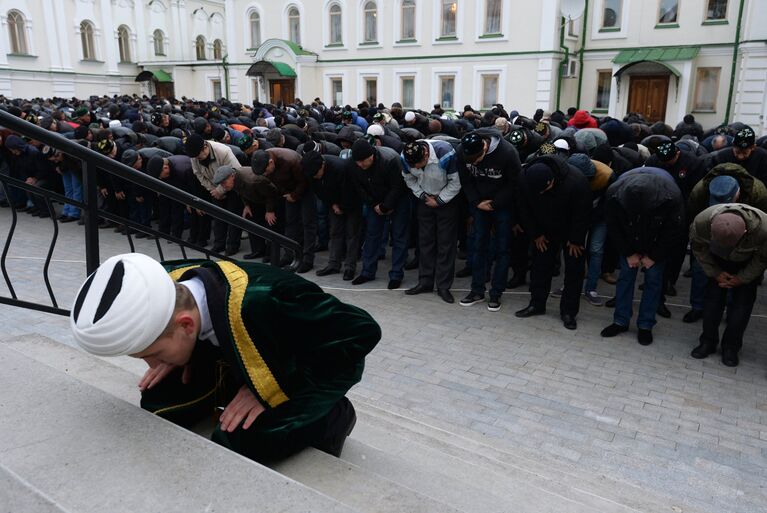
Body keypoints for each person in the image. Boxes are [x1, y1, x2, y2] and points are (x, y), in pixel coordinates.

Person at [69, 253, 381, 463]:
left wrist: (272, 388)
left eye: (154, 355)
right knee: (160, 402)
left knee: (239, 440)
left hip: (309, 364)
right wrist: (170, 357)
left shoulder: (264, 298)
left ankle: (335, 416)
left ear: (186, 325)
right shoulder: (163, 282)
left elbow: (362, 331)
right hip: (232, 349)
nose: (152, 364)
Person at [600, 168, 684, 345]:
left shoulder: (671, 197)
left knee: (653, 281)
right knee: (625, 277)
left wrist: (653, 256)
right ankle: (620, 321)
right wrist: (628, 253)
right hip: (629, 238)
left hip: (655, 241)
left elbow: (673, 232)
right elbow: (614, 227)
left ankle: (646, 325)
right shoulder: (614, 195)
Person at [514, 155, 591, 330]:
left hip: (571, 231)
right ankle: (537, 304)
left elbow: (583, 213)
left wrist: (576, 239)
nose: (541, 193)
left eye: (545, 189)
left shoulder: (576, 181)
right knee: (540, 267)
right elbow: (523, 208)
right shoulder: (524, 178)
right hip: (543, 230)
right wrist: (535, 234)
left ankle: (569, 312)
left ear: (552, 180)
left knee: (574, 271)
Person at [689, 204, 767, 366]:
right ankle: (708, 342)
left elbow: (762, 259)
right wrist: (715, 272)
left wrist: (742, 278)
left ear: (745, 233)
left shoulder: (764, 229)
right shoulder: (702, 221)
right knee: (712, 303)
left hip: (747, 264)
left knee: (741, 308)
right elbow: (699, 248)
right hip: (716, 261)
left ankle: (731, 347)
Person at [456, 129, 520, 311]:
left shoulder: (507, 153)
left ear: (484, 148)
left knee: (502, 249)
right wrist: (476, 202)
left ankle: (496, 293)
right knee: (478, 245)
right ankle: (476, 290)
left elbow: (515, 184)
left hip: (502, 204)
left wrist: (495, 204)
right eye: (471, 161)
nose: (475, 163)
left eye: (477, 159)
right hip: (479, 204)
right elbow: (465, 181)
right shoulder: (462, 151)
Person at [401, 140, 462, 304]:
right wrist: (422, 196)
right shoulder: (405, 157)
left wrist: (440, 200)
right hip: (425, 200)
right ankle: (425, 282)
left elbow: (455, 183)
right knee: (425, 242)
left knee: (446, 244)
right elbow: (409, 180)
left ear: (426, 154)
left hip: (447, 200)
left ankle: (443, 286)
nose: (417, 168)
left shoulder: (446, 153)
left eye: (419, 164)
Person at [349, 138, 410, 290]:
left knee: (399, 236)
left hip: (398, 200)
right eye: (358, 162)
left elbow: (398, 186)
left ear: (372, 156)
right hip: (374, 202)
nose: (361, 165)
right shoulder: (354, 164)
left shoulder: (390, 160)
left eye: (364, 161)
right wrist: (374, 204)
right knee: (372, 235)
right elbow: (359, 188)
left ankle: (396, 275)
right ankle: (367, 271)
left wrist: (386, 205)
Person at [302, 151, 363, 281]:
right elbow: (319, 191)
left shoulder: (341, 168)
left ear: (323, 165)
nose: (316, 177)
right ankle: (333, 264)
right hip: (334, 204)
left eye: (317, 173)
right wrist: (333, 204)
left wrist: (342, 207)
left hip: (352, 203)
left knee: (352, 234)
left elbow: (351, 191)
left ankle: (349, 267)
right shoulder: (311, 172)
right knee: (335, 232)